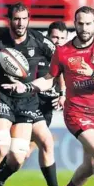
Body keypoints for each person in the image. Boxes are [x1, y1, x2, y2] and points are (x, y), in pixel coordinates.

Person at [3, 6, 94, 186]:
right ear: (75, 24)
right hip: (76, 112)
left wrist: (92, 72)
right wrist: (28, 86)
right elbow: (49, 79)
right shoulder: (63, 51)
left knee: (90, 165)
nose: (85, 28)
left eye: (89, 24)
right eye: (80, 23)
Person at [0, 3, 60, 186]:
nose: (20, 23)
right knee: (0, 149)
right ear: (9, 20)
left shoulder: (40, 41)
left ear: (28, 19)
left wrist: (44, 89)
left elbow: (58, 67)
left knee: (18, 157)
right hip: (1, 99)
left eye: (23, 19)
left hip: (27, 102)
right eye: (16, 19)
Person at [26, 21, 68, 159]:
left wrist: (62, 94)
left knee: (26, 152)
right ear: (48, 37)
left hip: (47, 108)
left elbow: (62, 75)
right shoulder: (37, 54)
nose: (58, 41)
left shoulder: (65, 57)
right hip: (32, 103)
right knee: (28, 147)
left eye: (62, 38)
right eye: (55, 37)